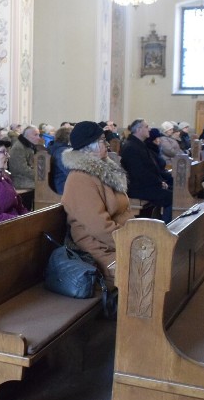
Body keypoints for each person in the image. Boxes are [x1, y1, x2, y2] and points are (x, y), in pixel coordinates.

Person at [61, 121, 133, 289]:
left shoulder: (103, 171)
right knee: (144, 268)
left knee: (159, 258)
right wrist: (131, 243)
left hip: (116, 241)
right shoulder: (80, 178)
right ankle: (127, 314)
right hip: (98, 250)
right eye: (102, 140)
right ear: (88, 146)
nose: (107, 144)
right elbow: (99, 227)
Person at [119, 119, 173, 222]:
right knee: (172, 198)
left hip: (146, 185)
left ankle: (159, 222)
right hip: (138, 188)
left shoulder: (138, 144)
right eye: (147, 127)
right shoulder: (131, 147)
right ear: (139, 129)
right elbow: (139, 173)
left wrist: (160, 182)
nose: (150, 129)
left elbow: (151, 168)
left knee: (172, 192)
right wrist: (158, 183)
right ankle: (167, 228)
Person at [8, 125, 41, 190]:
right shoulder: (18, 148)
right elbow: (22, 169)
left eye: (39, 135)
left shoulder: (29, 145)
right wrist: (39, 177)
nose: (39, 138)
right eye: (35, 135)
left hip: (28, 177)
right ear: (27, 136)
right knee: (43, 185)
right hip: (20, 180)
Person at [48, 125, 72, 194]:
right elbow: (70, 171)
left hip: (63, 182)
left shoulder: (57, 148)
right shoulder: (61, 151)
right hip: (62, 185)